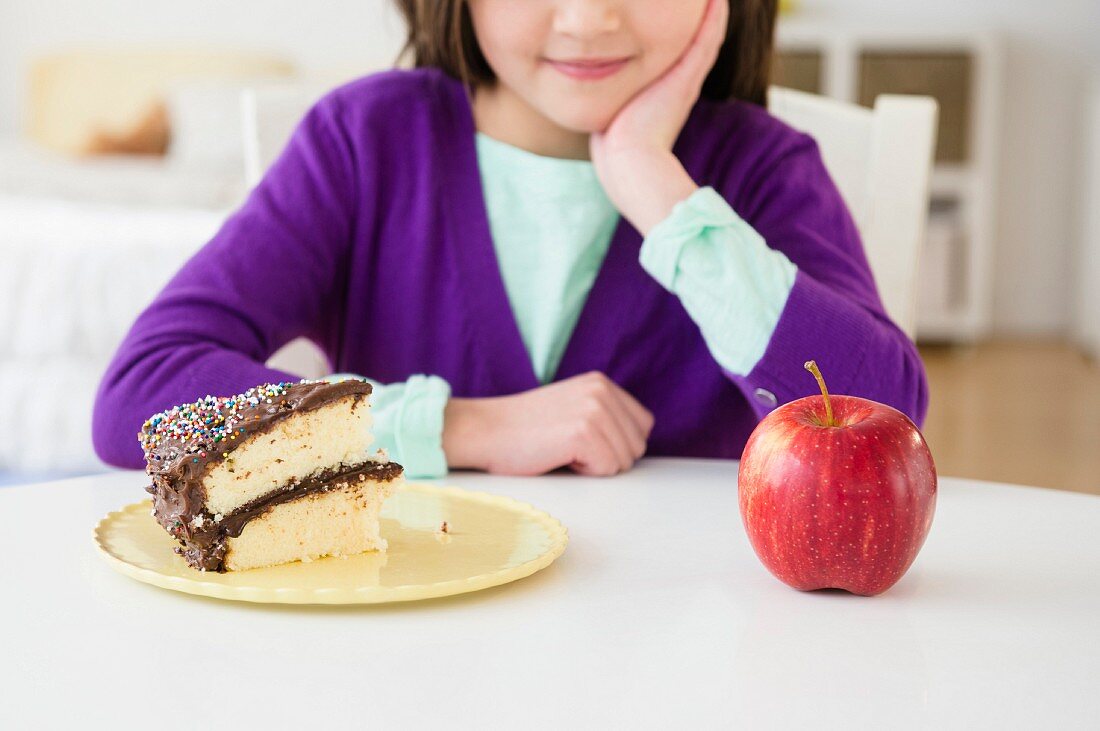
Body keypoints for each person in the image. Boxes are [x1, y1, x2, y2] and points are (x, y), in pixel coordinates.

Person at [92, 0, 928, 479]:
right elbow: (143, 396)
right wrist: (459, 427)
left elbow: (884, 417)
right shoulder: (365, 144)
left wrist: (657, 190)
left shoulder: (758, 167)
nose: (590, 17)